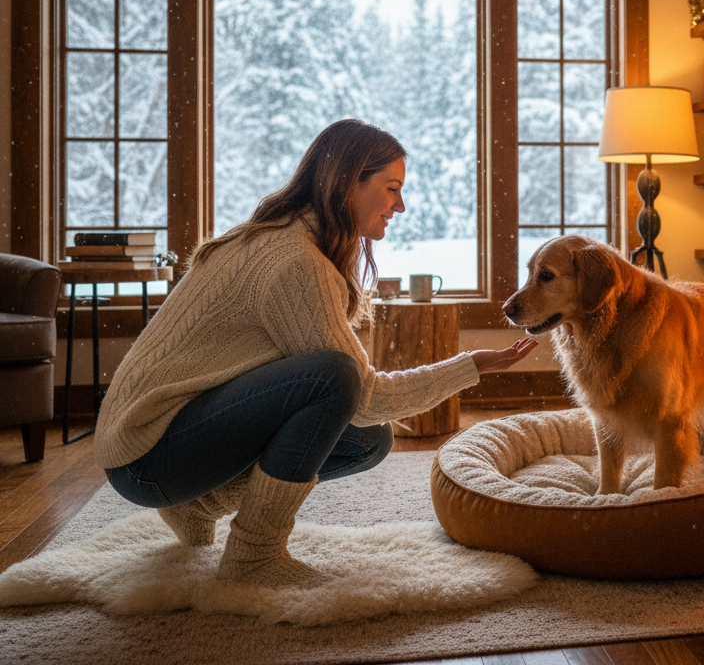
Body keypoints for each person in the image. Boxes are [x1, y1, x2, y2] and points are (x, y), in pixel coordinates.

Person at [95, 119, 537, 588]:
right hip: (147, 457)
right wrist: (471, 367)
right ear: (349, 181)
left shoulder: (273, 236)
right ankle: (253, 556)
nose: (400, 205)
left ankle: (195, 503)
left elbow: (359, 411)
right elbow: (359, 392)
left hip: (145, 448)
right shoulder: (295, 262)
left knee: (369, 438)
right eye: (391, 188)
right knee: (335, 378)